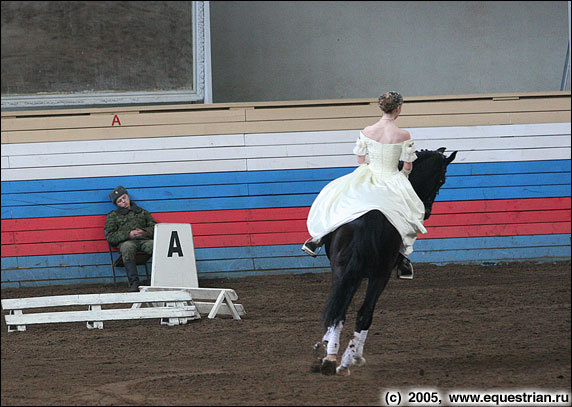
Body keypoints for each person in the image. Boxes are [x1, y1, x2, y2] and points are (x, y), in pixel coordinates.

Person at [301, 91, 426, 279]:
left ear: (381, 107)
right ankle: (403, 257)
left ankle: (317, 239)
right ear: (399, 109)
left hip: (369, 173)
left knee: (337, 198)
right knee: (409, 213)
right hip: (393, 176)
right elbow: (407, 165)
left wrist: (371, 169)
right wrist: (403, 176)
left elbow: (361, 159)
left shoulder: (367, 131)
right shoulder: (403, 134)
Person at [105, 186, 157, 291]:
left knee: (156, 247)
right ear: (116, 204)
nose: (123, 201)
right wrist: (128, 234)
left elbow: (155, 227)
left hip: (144, 240)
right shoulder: (113, 216)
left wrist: (145, 232)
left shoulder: (142, 212)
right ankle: (134, 283)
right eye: (119, 201)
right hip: (127, 242)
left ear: (128, 196)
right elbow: (110, 236)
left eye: (124, 198)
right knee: (127, 248)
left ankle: (160, 280)